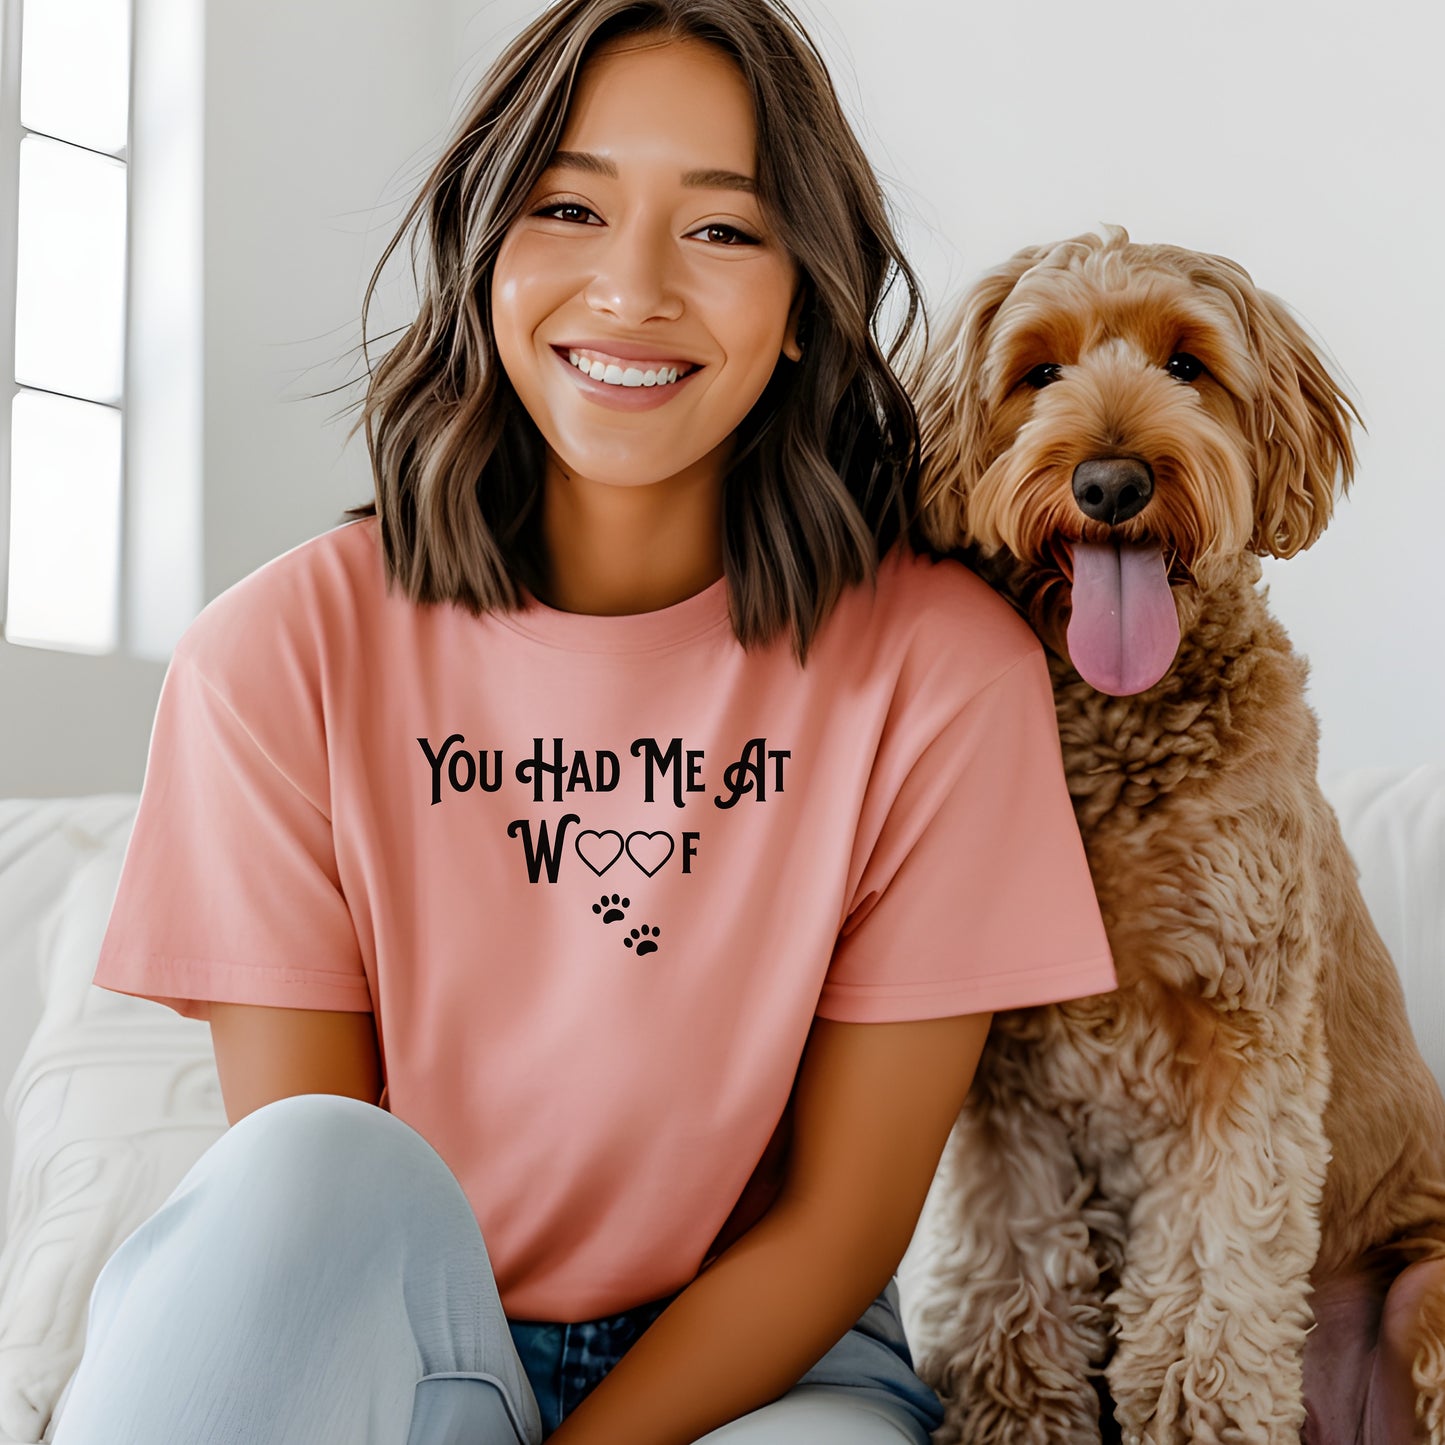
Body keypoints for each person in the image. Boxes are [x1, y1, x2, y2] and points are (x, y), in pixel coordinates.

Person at [52, 1, 1118, 1442]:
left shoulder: (938, 675)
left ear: (807, 299)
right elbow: (315, 1192)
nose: (631, 288)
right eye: (568, 204)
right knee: (300, 1162)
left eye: (724, 230)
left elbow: (838, 1222)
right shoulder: (276, 654)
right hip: (403, 1322)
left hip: (768, 1362)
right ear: (486, 248)